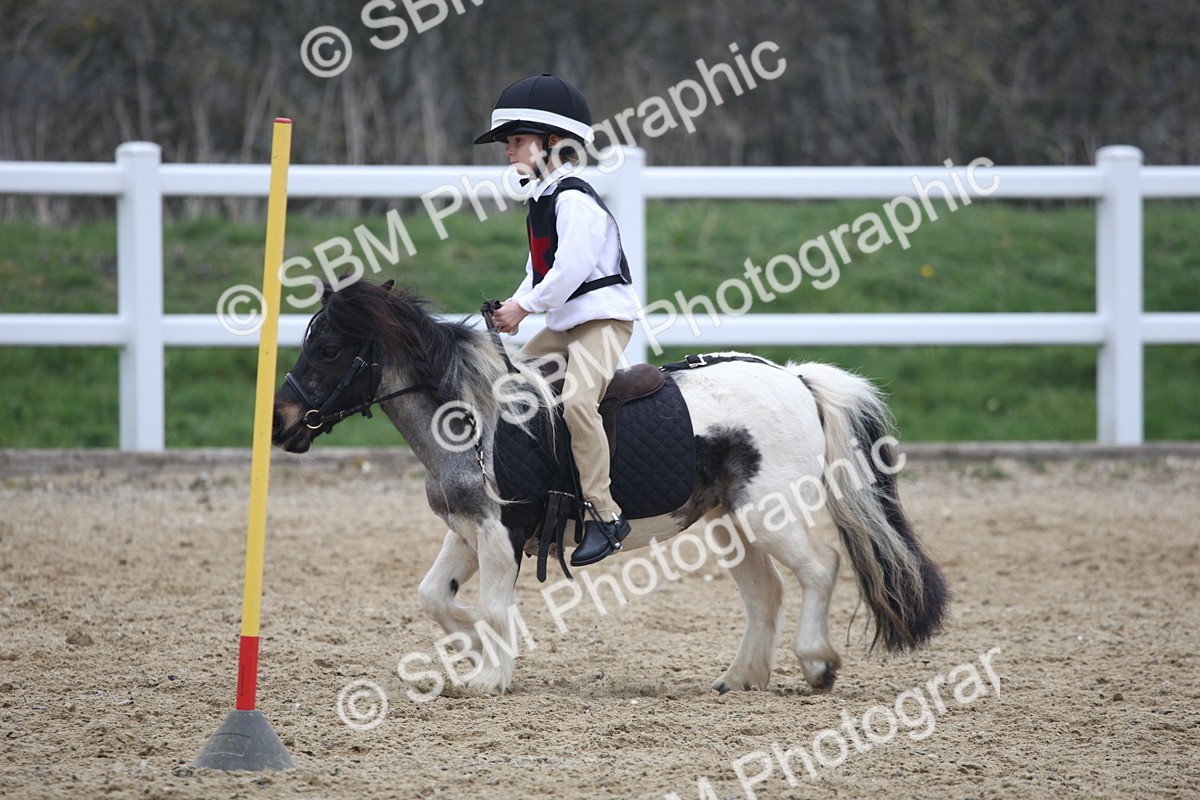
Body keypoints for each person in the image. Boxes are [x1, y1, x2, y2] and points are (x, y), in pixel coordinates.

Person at [476, 73, 640, 567]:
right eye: (507, 142)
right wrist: (512, 307)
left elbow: (569, 272)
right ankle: (534, 496)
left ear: (553, 142)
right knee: (510, 389)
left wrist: (525, 308)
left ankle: (606, 515)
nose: (508, 150)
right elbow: (538, 271)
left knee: (577, 404)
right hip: (566, 325)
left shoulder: (573, 200)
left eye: (516, 140)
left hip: (602, 322)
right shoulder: (542, 200)